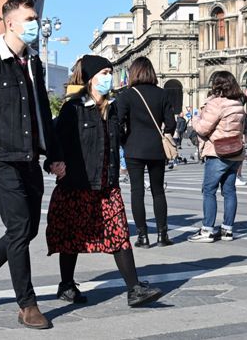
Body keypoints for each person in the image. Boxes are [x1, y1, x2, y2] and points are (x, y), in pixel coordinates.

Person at [0, 0, 64, 330]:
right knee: (19, 229)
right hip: (1, 159)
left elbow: (41, 114)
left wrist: (54, 155)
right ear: (10, 24)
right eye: (30, 19)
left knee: (29, 229)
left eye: (36, 19)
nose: (36, 24)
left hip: (29, 158)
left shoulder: (32, 63)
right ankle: (28, 305)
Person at [46, 54, 163, 307]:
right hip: (77, 186)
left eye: (111, 73)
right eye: (105, 73)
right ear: (90, 79)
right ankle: (67, 285)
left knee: (119, 234)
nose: (110, 78)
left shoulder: (112, 109)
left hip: (107, 187)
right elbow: (53, 140)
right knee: (71, 238)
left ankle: (134, 289)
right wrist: (54, 162)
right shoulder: (72, 109)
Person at [117, 56, 176, 248]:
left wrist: (124, 140)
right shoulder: (162, 94)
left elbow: (117, 123)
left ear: (133, 73)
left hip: (133, 148)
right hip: (157, 148)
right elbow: (171, 123)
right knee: (158, 191)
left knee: (137, 191)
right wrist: (165, 135)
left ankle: (142, 236)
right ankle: (162, 235)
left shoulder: (126, 95)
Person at [188, 71, 246, 242]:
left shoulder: (216, 104)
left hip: (217, 153)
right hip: (234, 153)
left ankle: (207, 230)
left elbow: (203, 129)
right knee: (229, 191)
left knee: (209, 191)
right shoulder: (238, 105)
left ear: (217, 85)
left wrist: (195, 119)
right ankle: (227, 230)